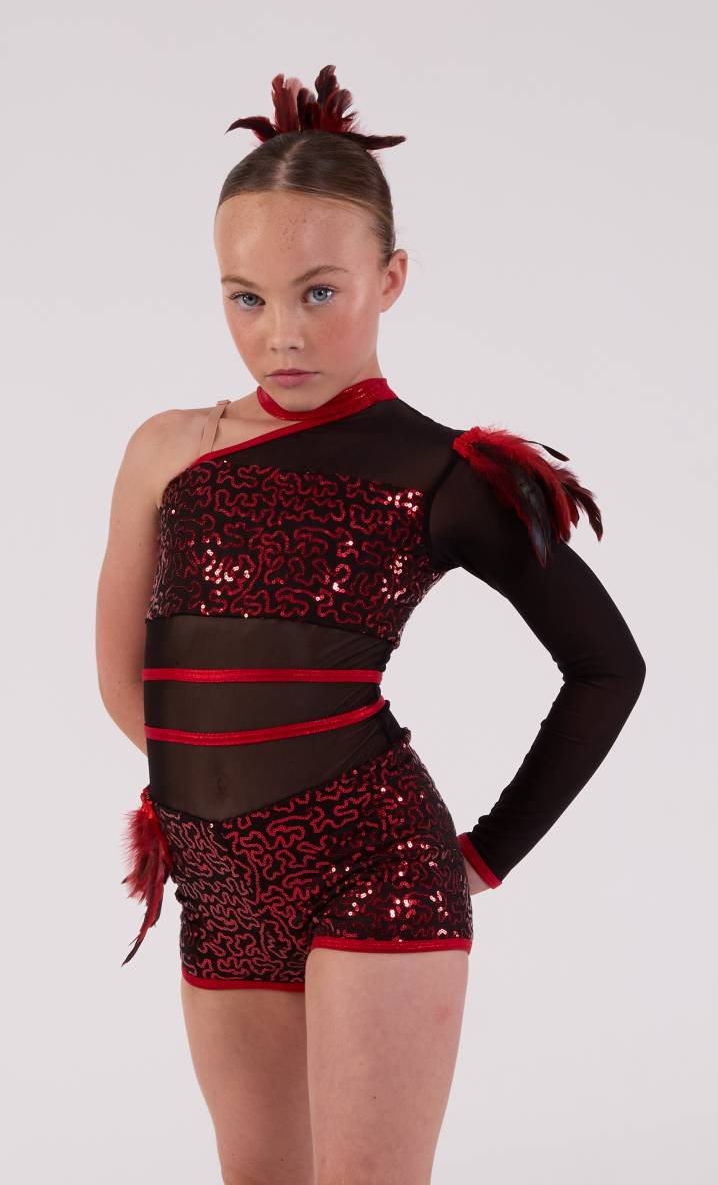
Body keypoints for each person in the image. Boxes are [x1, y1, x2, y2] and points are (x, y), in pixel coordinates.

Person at [96, 64, 646, 1185]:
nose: (279, 336)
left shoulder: (442, 471)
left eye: (318, 292)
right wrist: (227, 802)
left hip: (372, 858)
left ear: (390, 279)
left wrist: (485, 854)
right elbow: (127, 684)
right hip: (217, 870)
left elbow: (606, 667)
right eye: (245, 298)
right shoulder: (166, 450)